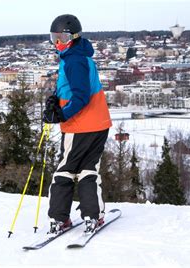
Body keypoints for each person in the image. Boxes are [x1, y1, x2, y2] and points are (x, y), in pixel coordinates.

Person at [43, 14, 112, 234]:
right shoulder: (77, 55)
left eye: (61, 37)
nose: (57, 43)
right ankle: (93, 215)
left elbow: (81, 97)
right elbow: (74, 88)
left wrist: (62, 114)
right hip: (98, 123)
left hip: (80, 125)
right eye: (54, 38)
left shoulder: (73, 59)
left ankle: (59, 218)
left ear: (73, 36)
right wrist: (56, 98)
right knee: (87, 168)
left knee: (66, 169)